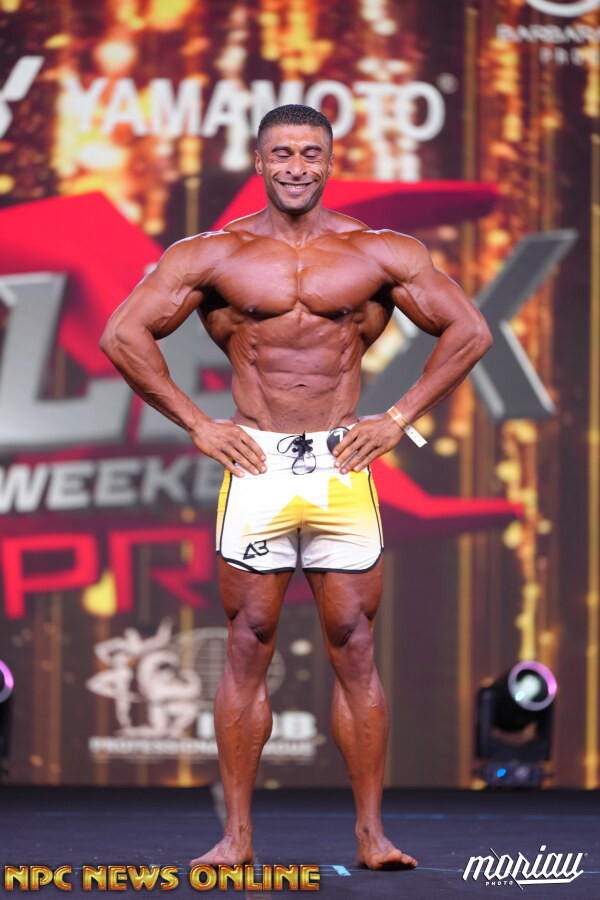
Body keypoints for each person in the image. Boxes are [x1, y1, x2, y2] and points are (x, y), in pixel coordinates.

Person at [99, 104, 493, 870]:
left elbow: (469, 330)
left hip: (343, 465)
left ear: (329, 161)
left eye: (311, 152)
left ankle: (372, 835)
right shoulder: (214, 254)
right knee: (249, 642)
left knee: (354, 643)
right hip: (259, 465)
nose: (296, 166)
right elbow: (123, 333)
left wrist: (399, 417)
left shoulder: (378, 250)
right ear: (259, 161)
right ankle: (237, 837)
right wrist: (197, 424)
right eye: (282, 152)